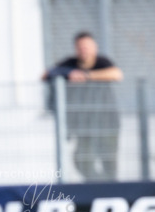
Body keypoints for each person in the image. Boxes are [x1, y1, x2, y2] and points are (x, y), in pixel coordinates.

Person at [43, 32, 124, 181]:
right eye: (80, 47)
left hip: (107, 123)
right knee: (81, 160)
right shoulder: (70, 63)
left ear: (95, 47)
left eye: (87, 47)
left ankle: (111, 188)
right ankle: (97, 185)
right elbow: (46, 74)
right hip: (84, 126)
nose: (84, 50)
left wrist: (86, 76)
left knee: (109, 161)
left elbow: (117, 74)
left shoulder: (102, 62)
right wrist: (70, 73)